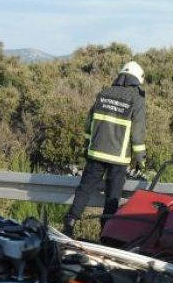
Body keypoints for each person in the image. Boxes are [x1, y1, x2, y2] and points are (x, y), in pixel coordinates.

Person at [63, 60, 147, 237]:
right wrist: (141, 160)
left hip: (96, 153)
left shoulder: (104, 93)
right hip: (118, 158)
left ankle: (70, 223)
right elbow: (137, 134)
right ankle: (106, 234)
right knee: (112, 197)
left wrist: (87, 148)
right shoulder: (137, 101)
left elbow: (89, 124)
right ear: (137, 80)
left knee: (84, 189)